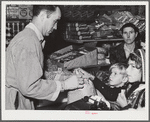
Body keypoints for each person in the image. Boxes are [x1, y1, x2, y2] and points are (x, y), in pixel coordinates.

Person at [6, 5, 84, 110]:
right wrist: (64, 85)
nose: (56, 27)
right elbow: (30, 87)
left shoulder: (30, 37)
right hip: (15, 105)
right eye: (55, 21)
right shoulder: (28, 41)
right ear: (43, 16)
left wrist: (61, 78)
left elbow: (29, 73)